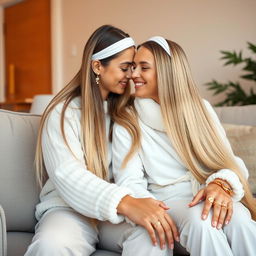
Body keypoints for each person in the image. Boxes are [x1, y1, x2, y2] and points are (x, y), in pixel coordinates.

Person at [24, 27, 178, 256]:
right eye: (125, 68)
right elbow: (68, 175)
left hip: (116, 216)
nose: (132, 75)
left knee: (155, 238)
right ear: (97, 66)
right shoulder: (63, 113)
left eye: (134, 68)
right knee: (52, 245)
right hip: (69, 209)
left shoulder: (130, 112)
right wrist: (126, 203)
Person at [112, 36, 256, 256]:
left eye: (143, 67)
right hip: (167, 202)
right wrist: (152, 212)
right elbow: (129, 181)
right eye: (132, 67)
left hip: (205, 193)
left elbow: (230, 161)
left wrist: (221, 184)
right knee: (201, 221)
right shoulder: (127, 118)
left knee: (238, 219)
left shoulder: (200, 109)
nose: (133, 74)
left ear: (166, 72)